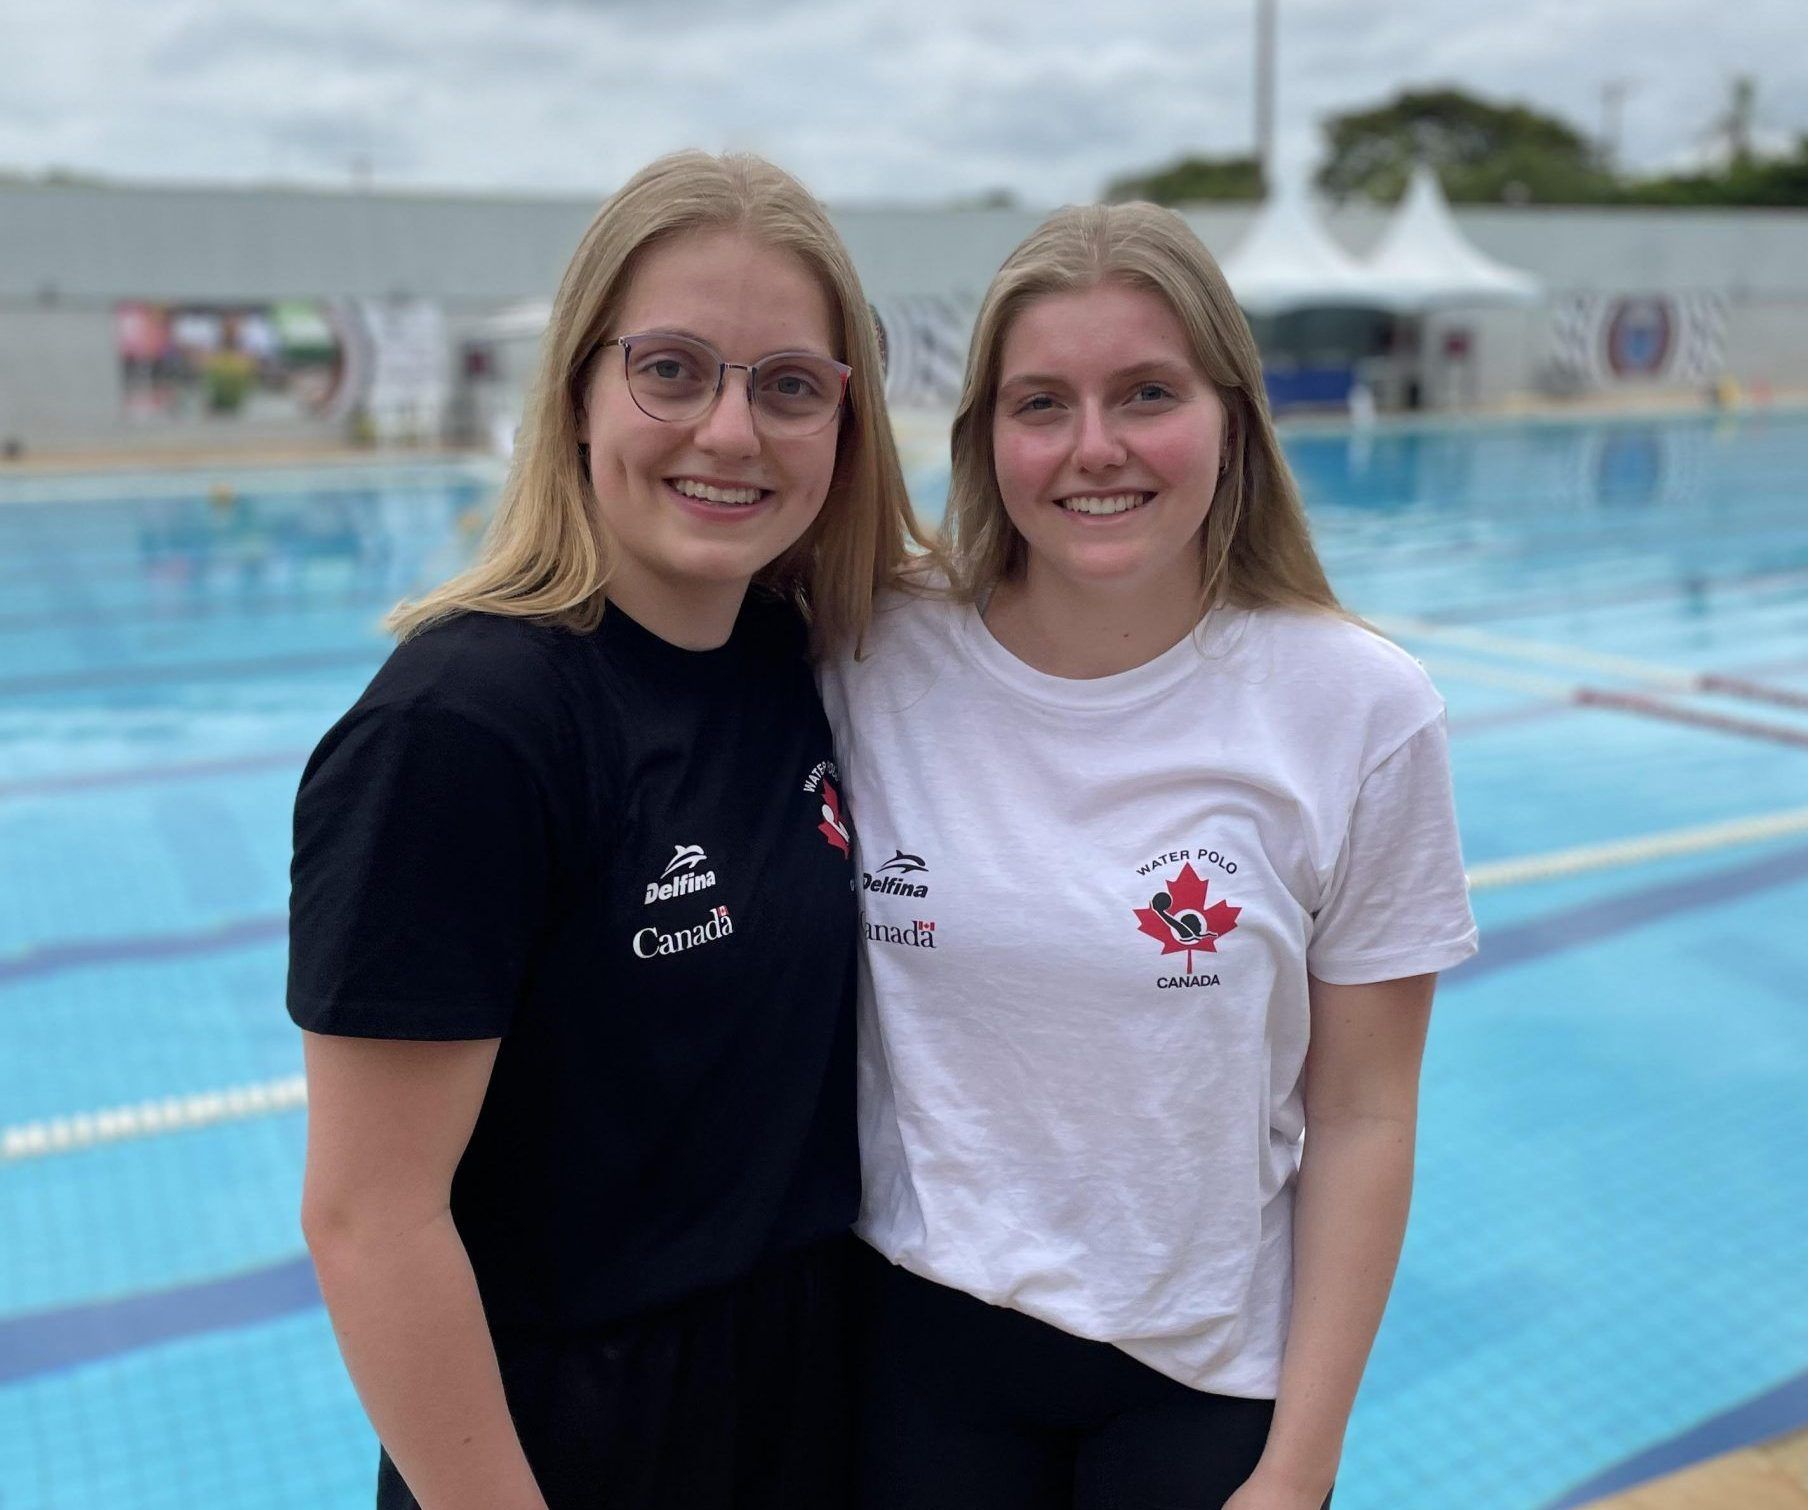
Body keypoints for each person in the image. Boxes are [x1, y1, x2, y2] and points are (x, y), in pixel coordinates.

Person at [289, 150, 923, 1510]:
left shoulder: (797, 659)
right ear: (579, 391)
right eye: (671, 370)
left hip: (809, 1412)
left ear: (845, 423)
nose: (731, 432)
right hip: (570, 1451)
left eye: (789, 386)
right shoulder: (462, 728)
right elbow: (369, 1220)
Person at [823, 202, 1479, 1509]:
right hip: (915, 1344)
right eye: (1042, 403)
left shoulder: (1358, 709)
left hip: (1205, 1380)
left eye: (1147, 393)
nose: (1095, 447)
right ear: (986, 435)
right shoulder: (872, 649)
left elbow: (1364, 1115)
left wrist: (1301, 1465)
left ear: (1232, 414)